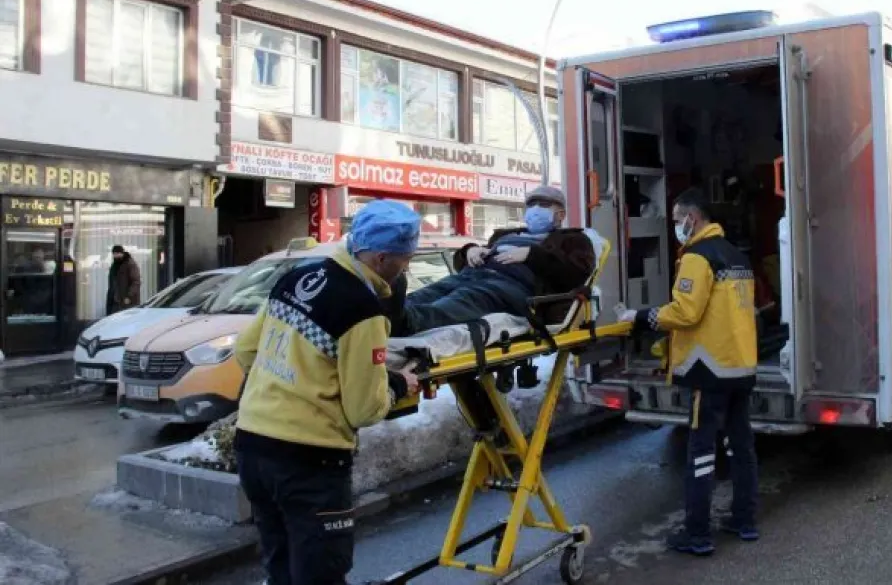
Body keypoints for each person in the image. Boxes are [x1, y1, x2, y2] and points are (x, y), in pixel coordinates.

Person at [232, 200, 423, 585]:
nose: (407, 267)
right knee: (320, 573)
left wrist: (293, 383)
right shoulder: (364, 310)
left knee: (281, 566)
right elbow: (364, 410)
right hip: (309, 464)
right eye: (406, 259)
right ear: (383, 258)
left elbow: (246, 351)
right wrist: (398, 384)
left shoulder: (296, 277)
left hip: (253, 446)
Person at [618, 187, 760, 557]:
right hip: (740, 367)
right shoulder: (736, 256)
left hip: (708, 370)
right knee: (742, 447)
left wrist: (639, 318)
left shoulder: (698, 257)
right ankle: (744, 520)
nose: (678, 226)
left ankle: (697, 533)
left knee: (701, 449)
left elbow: (685, 313)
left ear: (692, 219)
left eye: (679, 220)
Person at [392, 185, 595, 336]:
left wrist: (532, 255)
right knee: (436, 289)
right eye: (531, 204)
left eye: (543, 205)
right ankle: (385, 315)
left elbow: (576, 273)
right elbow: (462, 263)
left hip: (515, 287)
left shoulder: (573, 239)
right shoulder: (506, 235)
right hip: (475, 274)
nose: (534, 209)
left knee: (465, 298)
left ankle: (409, 322)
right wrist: (470, 251)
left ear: (560, 214)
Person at [106, 245, 141, 314]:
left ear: (122, 253)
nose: (115, 256)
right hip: (115, 300)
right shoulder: (114, 265)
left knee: (126, 321)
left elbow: (136, 282)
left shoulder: (130, 264)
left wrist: (129, 296)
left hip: (127, 301)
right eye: (114, 254)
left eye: (117, 253)